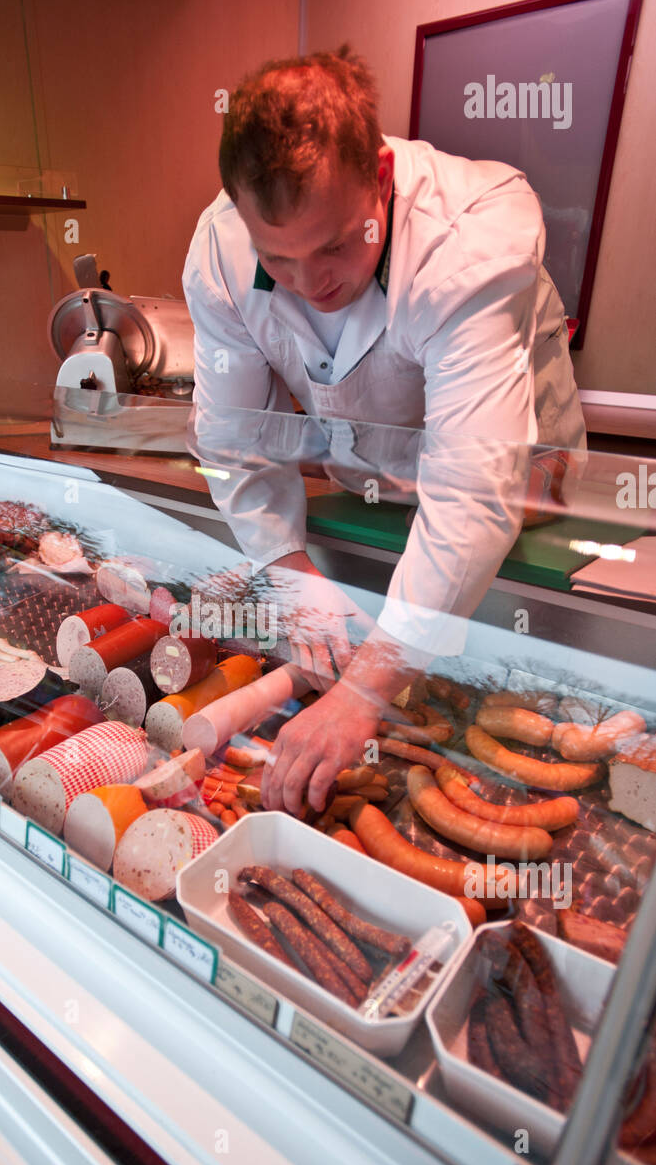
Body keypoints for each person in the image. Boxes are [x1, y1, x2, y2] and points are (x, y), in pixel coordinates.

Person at [182, 47, 586, 815]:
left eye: (335, 245)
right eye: (281, 259)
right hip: (366, 481)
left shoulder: (469, 238)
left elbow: (472, 494)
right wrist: (293, 576)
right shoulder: (220, 254)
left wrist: (366, 686)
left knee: (524, 651)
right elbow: (232, 441)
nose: (310, 283)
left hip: (522, 492)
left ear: (380, 177)